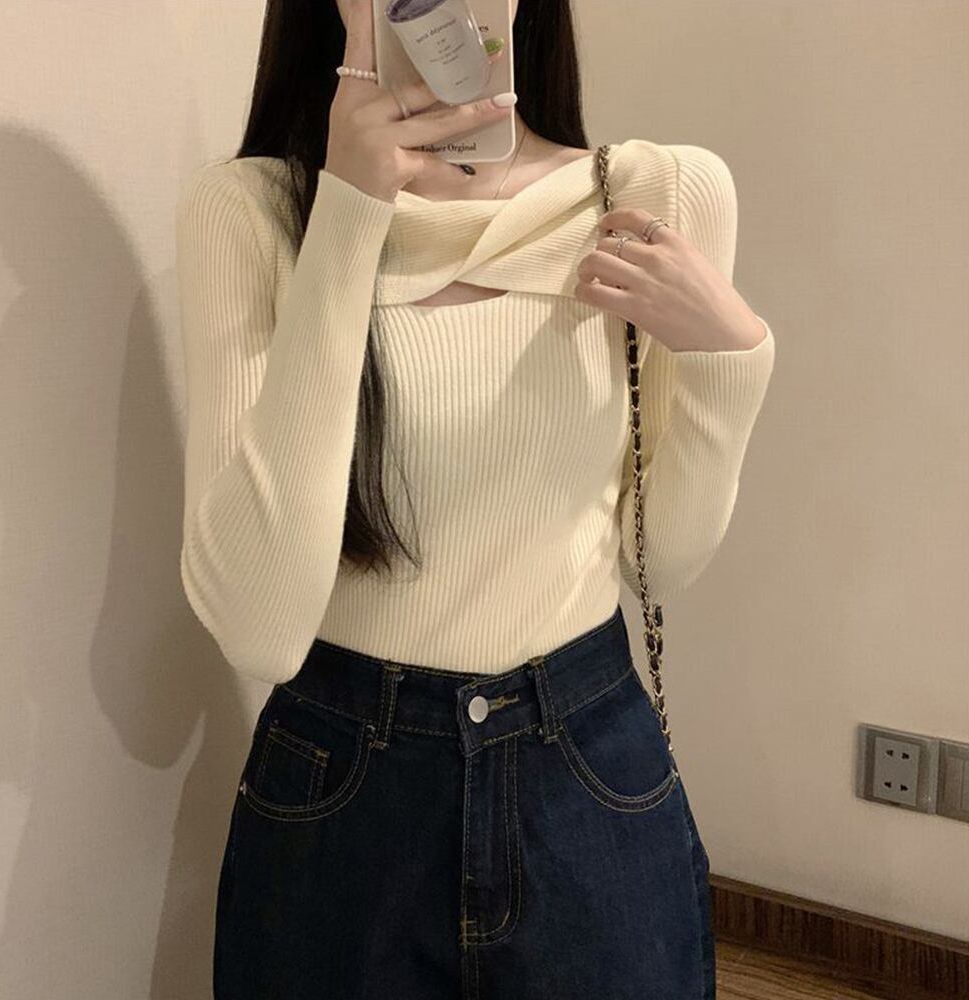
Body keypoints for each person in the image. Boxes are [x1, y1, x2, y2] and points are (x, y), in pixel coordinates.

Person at [175, 0, 776, 996]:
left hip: (583, 760)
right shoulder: (251, 210)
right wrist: (349, 209)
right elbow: (259, 631)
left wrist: (729, 356)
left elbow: (658, 561)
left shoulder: (656, 191)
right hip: (341, 780)